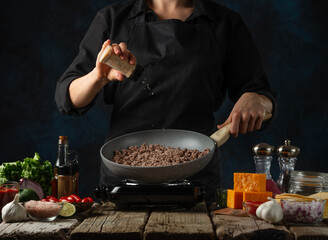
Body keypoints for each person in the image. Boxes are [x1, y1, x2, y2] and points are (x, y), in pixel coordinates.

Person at [55, 0, 277, 202]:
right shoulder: (113, 18)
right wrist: (98, 76)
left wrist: (256, 98)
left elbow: (263, 96)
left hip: (196, 177)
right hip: (124, 176)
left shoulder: (225, 23)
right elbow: (67, 98)